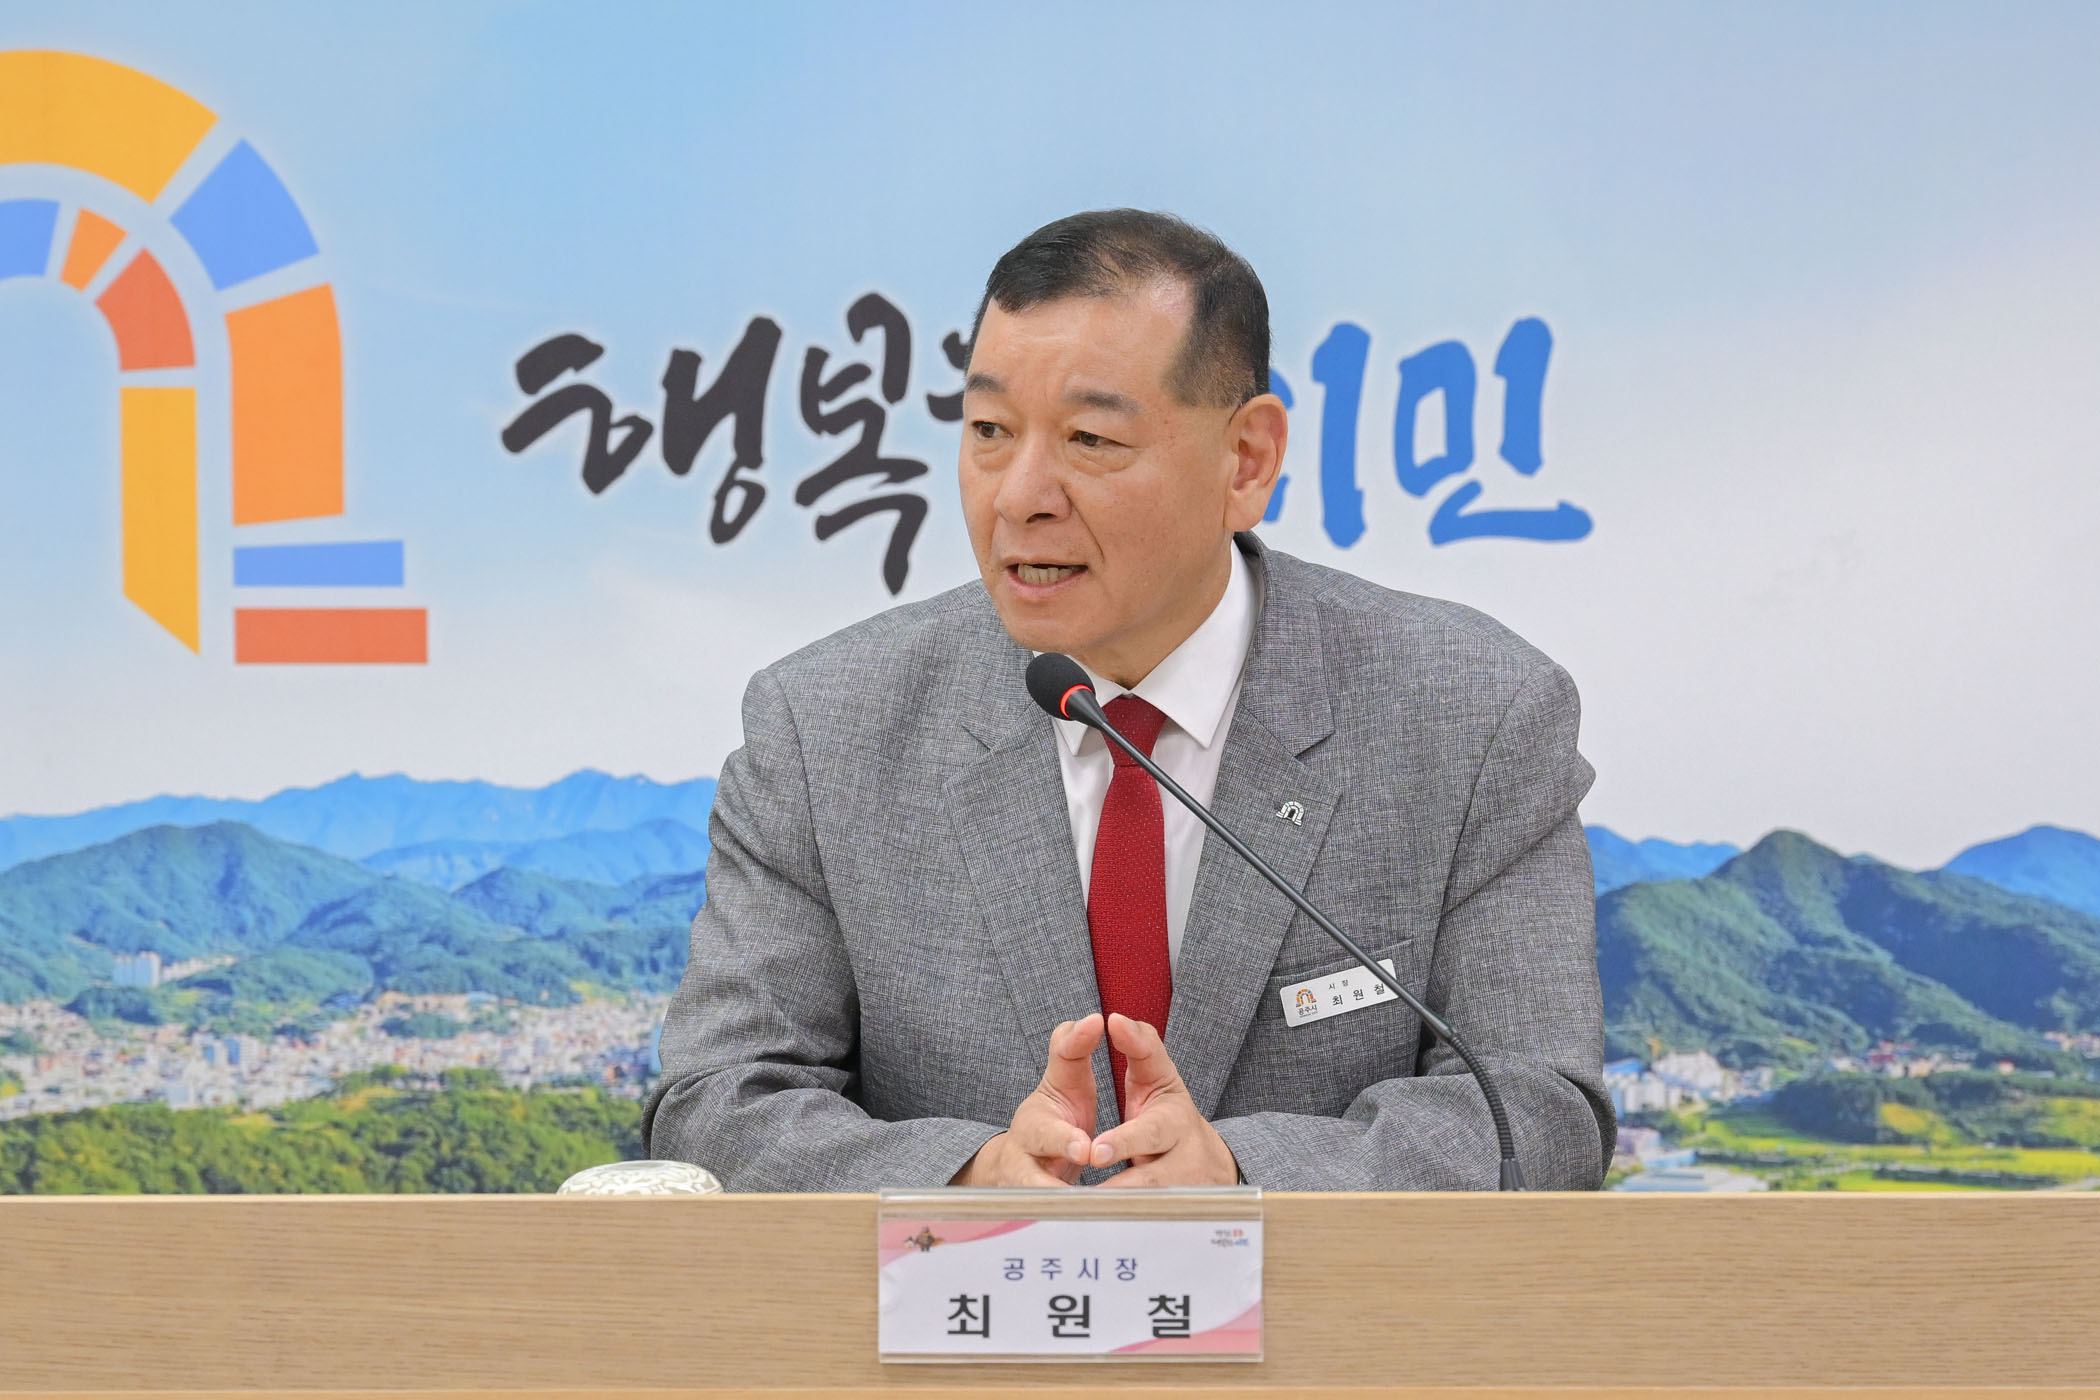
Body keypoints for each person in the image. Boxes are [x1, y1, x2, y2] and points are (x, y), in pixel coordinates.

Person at [644, 209, 1611, 1190]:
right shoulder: (825, 726)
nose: (1019, 495)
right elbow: (720, 1100)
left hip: (1326, 1296)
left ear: (1247, 459)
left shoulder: (1475, 717)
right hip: (966, 1291)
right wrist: (969, 1179)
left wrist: (1238, 1173)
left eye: (1090, 438)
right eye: (989, 431)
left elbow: (1537, 1107)